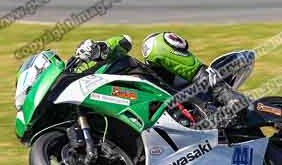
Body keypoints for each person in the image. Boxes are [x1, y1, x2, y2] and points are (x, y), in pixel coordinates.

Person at [73, 32, 250, 127]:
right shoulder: (76, 100)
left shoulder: (92, 69)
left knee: (153, 43)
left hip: (159, 87)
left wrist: (99, 49)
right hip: (137, 118)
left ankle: (223, 95)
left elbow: (124, 41)